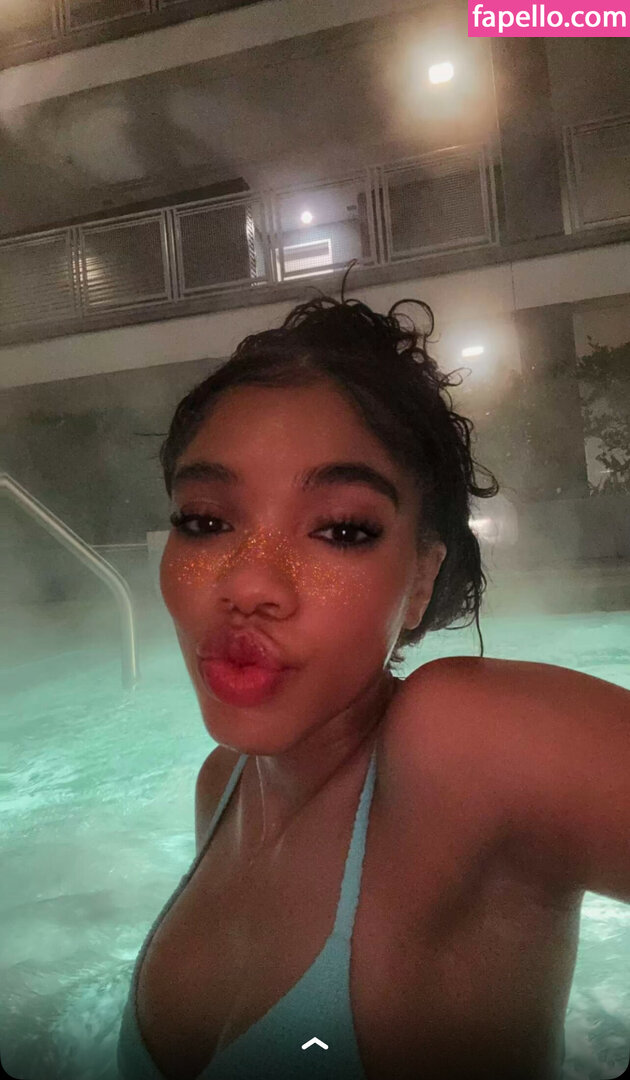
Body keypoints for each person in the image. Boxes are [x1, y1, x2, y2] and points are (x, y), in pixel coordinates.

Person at [117, 279, 630, 1080]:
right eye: (206, 520)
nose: (248, 583)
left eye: (341, 529)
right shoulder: (219, 788)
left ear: (421, 579)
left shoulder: (462, 746)